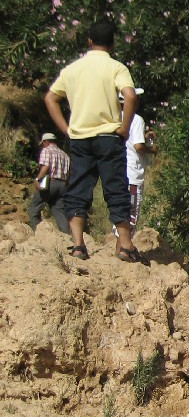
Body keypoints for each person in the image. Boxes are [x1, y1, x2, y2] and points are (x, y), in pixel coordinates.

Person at [43, 21, 140, 262]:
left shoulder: (72, 69)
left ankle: (78, 245)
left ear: (89, 41)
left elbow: (50, 98)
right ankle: (125, 246)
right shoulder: (116, 67)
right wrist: (124, 127)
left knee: (78, 188)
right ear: (113, 43)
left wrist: (66, 130)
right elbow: (129, 96)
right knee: (116, 188)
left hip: (80, 138)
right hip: (109, 137)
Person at [115, 87, 156, 243]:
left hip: (117, 172)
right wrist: (152, 150)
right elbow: (138, 146)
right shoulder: (136, 119)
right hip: (132, 174)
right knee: (131, 215)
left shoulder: (114, 118)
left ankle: (120, 248)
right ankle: (124, 249)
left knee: (120, 212)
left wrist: (143, 136)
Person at [28, 133, 70, 234]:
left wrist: (37, 179)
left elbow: (46, 167)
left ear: (46, 141)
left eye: (43, 143)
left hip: (51, 183)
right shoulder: (65, 154)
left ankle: (38, 234)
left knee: (34, 207)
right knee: (59, 211)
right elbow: (69, 173)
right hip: (63, 185)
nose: (43, 146)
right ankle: (67, 236)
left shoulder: (46, 150)